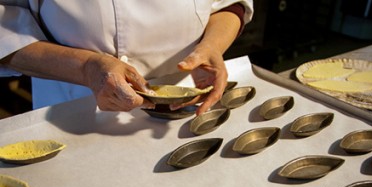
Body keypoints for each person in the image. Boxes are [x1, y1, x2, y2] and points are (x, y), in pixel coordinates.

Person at [0, 1, 253, 115]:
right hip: (79, 113)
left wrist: (212, 46)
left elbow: (228, 4)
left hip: (190, 106)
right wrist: (86, 68)